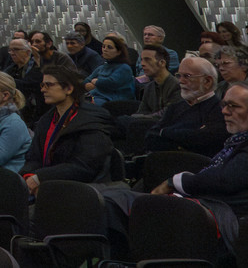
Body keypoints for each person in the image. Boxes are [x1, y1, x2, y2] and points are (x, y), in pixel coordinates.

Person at [103, 82, 248, 262]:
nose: (225, 111)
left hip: (221, 215)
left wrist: (176, 181)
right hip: (201, 204)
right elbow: (154, 136)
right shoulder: (237, 141)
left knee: (115, 202)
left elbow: (225, 180)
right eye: (224, 105)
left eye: (233, 106)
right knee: (112, 199)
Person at [21, 64, 116, 194]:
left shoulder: (91, 121)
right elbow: (33, 157)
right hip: (48, 186)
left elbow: (84, 167)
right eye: (42, 85)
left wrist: (40, 177)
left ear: (69, 89)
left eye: (49, 85)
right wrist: (27, 175)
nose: (43, 90)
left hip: (80, 191)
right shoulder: (46, 121)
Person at [144, 55, 228, 155]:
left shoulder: (220, 109)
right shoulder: (174, 107)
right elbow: (151, 136)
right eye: (179, 76)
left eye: (187, 76)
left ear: (207, 81)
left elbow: (204, 142)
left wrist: (165, 132)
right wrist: (184, 138)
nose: (181, 81)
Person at [86, 34, 137, 106]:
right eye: (103, 46)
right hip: (96, 97)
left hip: (114, 101)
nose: (105, 49)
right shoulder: (102, 67)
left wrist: (96, 81)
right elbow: (86, 80)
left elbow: (111, 82)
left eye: (109, 47)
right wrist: (87, 85)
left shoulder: (124, 68)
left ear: (118, 51)